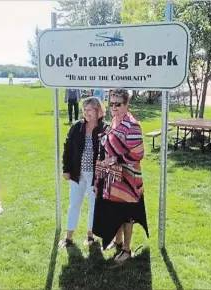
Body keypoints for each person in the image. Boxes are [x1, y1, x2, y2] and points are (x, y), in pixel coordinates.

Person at [93, 89, 149, 265]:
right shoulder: (116, 121)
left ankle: (126, 249)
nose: (114, 107)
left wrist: (115, 158)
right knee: (116, 210)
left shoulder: (132, 125)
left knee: (127, 214)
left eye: (118, 104)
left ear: (127, 105)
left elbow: (139, 154)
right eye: (111, 104)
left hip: (128, 177)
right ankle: (117, 242)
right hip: (114, 175)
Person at [59, 97, 108, 248]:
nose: (86, 113)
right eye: (84, 110)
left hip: (96, 176)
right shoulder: (77, 127)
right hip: (77, 173)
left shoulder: (105, 128)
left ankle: (90, 236)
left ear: (98, 111)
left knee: (94, 206)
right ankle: (68, 238)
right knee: (74, 204)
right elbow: (67, 149)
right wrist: (66, 169)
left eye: (90, 110)